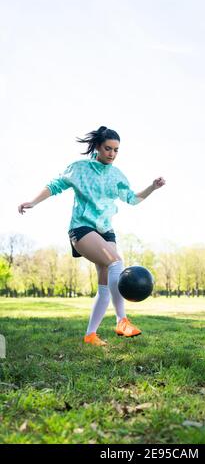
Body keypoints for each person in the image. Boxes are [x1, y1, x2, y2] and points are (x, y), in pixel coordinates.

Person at [18, 126, 166, 346]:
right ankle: (121, 321)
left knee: (105, 285)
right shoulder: (80, 168)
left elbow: (132, 199)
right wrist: (33, 201)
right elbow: (55, 185)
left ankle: (90, 335)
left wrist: (152, 188)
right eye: (108, 148)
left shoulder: (116, 175)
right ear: (97, 146)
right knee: (116, 261)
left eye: (116, 150)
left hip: (106, 231)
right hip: (82, 228)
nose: (112, 154)